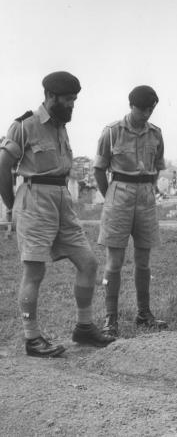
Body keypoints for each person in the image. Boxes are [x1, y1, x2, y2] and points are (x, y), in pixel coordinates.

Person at [0, 71, 115, 357]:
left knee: (88, 263)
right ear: (50, 96)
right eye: (67, 100)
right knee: (34, 270)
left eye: (75, 100)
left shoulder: (62, 125)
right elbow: (2, 166)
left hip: (62, 199)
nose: (72, 105)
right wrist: (13, 205)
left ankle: (84, 328)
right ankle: (32, 338)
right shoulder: (24, 127)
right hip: (34, 199)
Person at [93, 85, 167, 337]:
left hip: (145, 195)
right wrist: (111, 196)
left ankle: (144, 313)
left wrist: (147, 188)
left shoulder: (156, 134)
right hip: (119, 194)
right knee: (114, 261)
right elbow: (99, 169)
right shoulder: (112, 132)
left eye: (151, 109)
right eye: (143, 108)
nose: (147, 114)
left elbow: (157, 166)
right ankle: (110, 318)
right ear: (131, 105)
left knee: (144, 261)